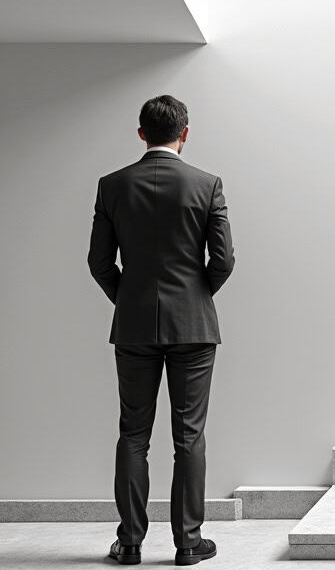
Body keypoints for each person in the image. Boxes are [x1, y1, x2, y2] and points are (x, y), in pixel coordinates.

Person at [88, 95, 235, 566]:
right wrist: (195, 295)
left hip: (133, 327)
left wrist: (128, 299)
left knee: (133, 433)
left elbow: (98, 262)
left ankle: (129, 543)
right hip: (193, 326)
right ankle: (188, 544)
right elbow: (224, 260)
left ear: (141, 134)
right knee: (188, 436)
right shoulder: (207, 184)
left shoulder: (112, 185)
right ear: (185, 133)